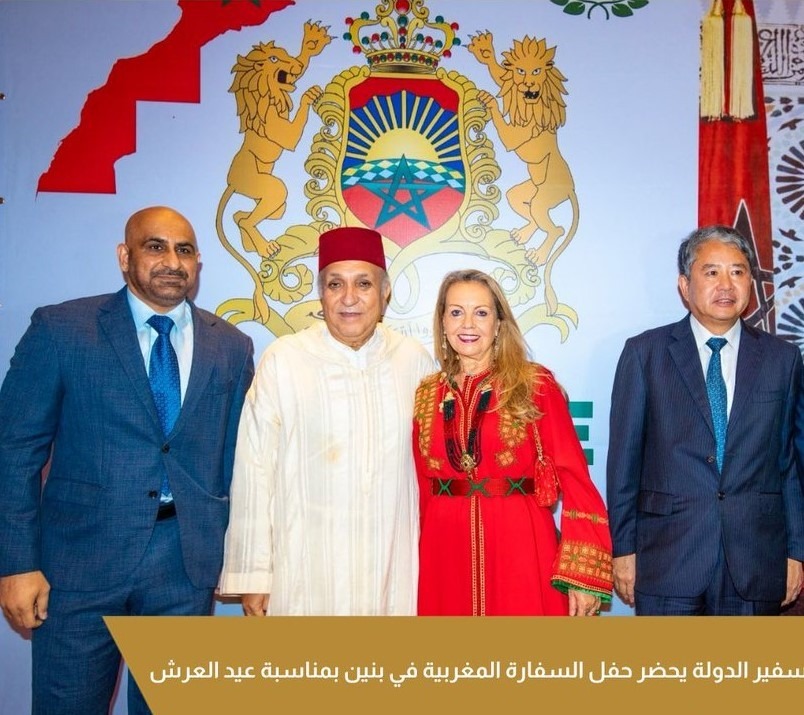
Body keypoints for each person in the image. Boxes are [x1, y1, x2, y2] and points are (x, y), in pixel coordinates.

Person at [0, 206, 255, 714]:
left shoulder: (230, 345)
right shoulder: (62, 329)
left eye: (184, 250)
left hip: (184, 566)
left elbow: (236, 461)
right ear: (125, 256)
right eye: (155, 247)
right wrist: (17, 563)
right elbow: (15, 450)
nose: (172, 261)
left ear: (198, 262)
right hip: (78, 565)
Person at [219, 226, 434, 615]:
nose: (349, 298)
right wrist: (254, 575)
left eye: (363, 283)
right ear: (321, 293)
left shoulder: (413, 360)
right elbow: (254, 470)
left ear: (385, 293)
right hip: (304, 570)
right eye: (336, 284)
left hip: (392, 567)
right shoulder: (284, 360)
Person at [607, 225, 804, 615]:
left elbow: (790, 466)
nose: (726, 284)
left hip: (755, 559)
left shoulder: (783, 360)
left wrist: (796, 551)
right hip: (667, 558)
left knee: (747, 674)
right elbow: (624, 465)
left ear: (751, 283)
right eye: (711, 272)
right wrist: (623, 549)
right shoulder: (645, 354)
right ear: (684, 284)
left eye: (738, 271)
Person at [413, 269, 613, 616]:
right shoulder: (426, 394)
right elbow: (420, 488)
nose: (468, 324)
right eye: (456, 312)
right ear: (442, 322)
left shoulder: (534, 384)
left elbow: (574, 477)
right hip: (444, 552)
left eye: (481, 312)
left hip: (522, 547)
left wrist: (581, 576)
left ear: (499, 324)